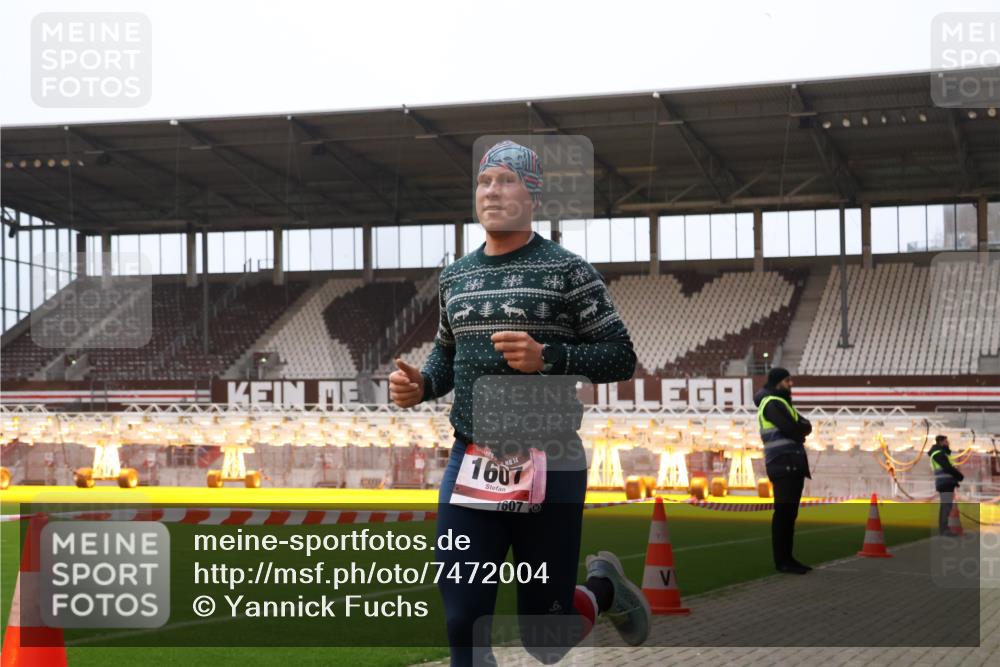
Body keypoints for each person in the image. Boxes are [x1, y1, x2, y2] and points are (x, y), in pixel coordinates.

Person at [390, 140, 648, 666]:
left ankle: (604, 589)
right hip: (472, 462)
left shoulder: (568, 271)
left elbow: (620, 357)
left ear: (533, 194)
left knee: (546, 640)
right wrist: (424, 386)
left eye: (506, 180)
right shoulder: (456, 276)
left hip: (549, 462)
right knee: (463, 620)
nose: (491, 191)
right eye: (484, 182)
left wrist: (546, 357)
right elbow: (447, 353)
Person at [754, 367, 813, 575]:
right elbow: (795, 429)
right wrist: (800, 430)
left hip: (791, 463)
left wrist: (800, 429)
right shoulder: (772, 404)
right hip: (782, 463)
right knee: (783, 515)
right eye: (787, 381)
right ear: (778, 382)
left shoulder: (783, 403)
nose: (791, 384)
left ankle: (788, 558)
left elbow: (806, 426)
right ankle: (782, 561)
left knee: (789, 515)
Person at [928, 435, 964, 536]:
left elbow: (948, 468)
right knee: (946, 506)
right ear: (941, 442)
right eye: (946, 441)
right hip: (945, 483)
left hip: (946, 482)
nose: (948, 443)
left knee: (947, 506)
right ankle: (944, 530)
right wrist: (959, 476)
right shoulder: (938, 454)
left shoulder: (941, 453)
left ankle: (945, 529)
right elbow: (947, 467)